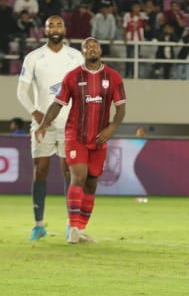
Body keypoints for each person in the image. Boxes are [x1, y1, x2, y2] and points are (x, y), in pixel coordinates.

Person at [34, 37, 125, 244]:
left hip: (99, 138)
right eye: (87, 47)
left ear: (101, 50)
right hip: (76, 135)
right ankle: (72, 227)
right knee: (78, 177)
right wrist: (44, 125)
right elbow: (58, 104)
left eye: (95, 46)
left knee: (92, 183)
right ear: (82, 52)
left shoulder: (113, 77)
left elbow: (121, 108)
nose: (91, 49)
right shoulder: (73, 77)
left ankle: (81, 229)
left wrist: (111, 128)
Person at [16, 15, 84, 241]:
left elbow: (84, 89)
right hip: (42, 124)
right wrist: (35, 113)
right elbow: (21, 91)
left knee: (69, 172)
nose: (55, 29)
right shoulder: (34, 58)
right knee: (40, 171)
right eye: (51, 26)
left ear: (65, 29)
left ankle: (70, 224)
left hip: (70, 124)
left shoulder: (76, 56)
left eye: (59, 25)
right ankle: (38, 225)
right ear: (44, 30)